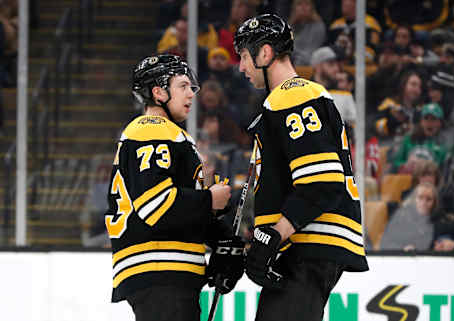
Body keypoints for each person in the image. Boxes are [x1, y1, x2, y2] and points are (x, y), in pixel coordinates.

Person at [234, 14, 369, 321]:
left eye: (243, 56)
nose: (241, 66)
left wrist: (274, 236)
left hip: (307, 245)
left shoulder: (293, 95)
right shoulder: (289, 98)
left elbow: (321, 181)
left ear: (265, 53)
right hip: (306, 245)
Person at [105, 54, 244, 321]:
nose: (191, 93)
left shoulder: (166, 133)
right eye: (182, 86)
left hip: (164, 271)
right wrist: (208, 200)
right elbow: (155, 206)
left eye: (191, 87)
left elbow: (176, 212)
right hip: (159, 268)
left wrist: (223, 239)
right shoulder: (152, 130)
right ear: (158, 92)